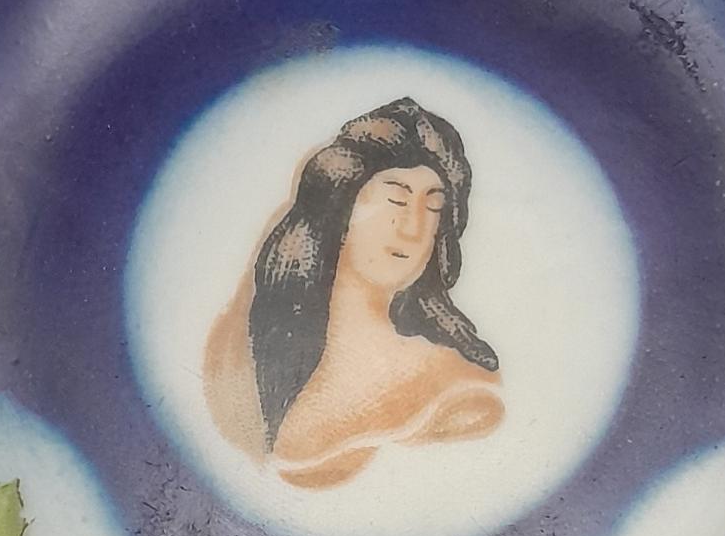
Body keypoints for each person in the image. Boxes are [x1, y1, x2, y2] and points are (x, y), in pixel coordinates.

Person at [203, 96, 504, 489]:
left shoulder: (457, 385)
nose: (413, 229)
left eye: (433, 208)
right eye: (396, 199)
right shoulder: (258, 364)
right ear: (340, 207)